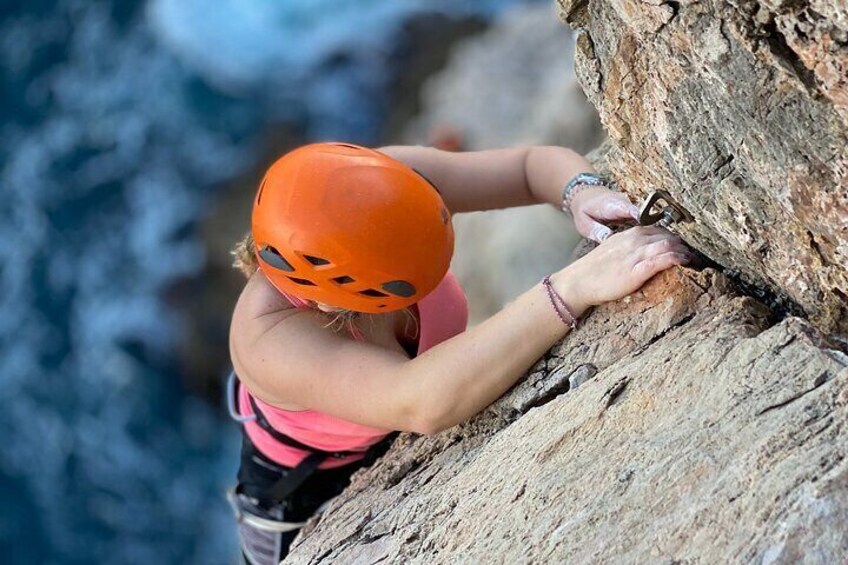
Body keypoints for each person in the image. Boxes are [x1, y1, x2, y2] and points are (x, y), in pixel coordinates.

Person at [226, 142, 692, 564]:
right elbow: (421, 400)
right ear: (335, 298)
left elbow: (528, 167)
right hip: (305, 487)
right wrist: (573, 286)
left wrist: (580, 192)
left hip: (397, 406)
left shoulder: (379, 188)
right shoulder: (268, 335)